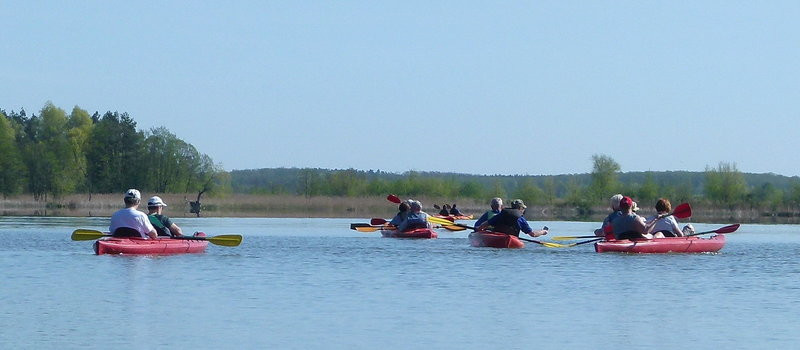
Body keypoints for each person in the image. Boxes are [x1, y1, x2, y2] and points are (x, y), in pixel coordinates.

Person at [477, 199, 547, 238]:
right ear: (520, 208)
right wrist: (543, 232)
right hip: (511, 239)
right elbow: (533, 234)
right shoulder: (520, 218)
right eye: (523, 208)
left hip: (497, 237)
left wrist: (479, 230)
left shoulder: (502, 214)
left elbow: (484, 225)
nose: (523, 210)